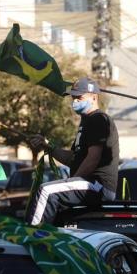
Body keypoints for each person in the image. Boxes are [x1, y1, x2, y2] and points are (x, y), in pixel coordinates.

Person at [26, 77, 119, 225]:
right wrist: (48, 146)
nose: (75, 101)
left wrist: (71, 181)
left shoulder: (99, 119)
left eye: (79, 97)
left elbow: (93, 158)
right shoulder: (86, 121)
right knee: (53, 199)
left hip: (97, 185)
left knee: (46, 191)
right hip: (89, 184)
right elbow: (73, 159)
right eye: (73, 97)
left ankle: (31, 235)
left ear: (94, 97)